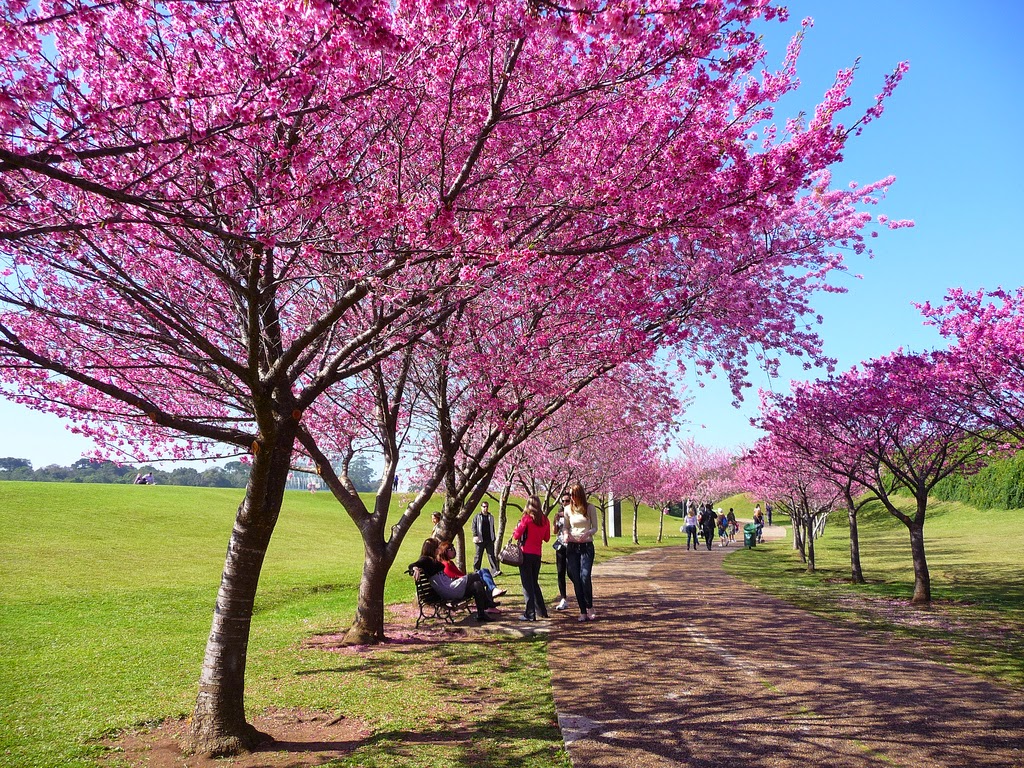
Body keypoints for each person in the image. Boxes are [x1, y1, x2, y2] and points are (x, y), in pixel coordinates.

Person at [409, 538, 498, 622]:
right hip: (448, 589)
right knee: (475, 575)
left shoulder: (433, 559)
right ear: (432, 549)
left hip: (450, 586)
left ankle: (481, 614)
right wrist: (415, 569)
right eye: (437, 547)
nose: (439, 549)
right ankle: (488, 603)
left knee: (477, 584)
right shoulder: (426, 560)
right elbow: (413, 564)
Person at [512, 495, 551, 621]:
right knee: (534, 582)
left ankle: (529, 613)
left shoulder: (527, 519)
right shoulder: (545, 520)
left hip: (525, 554)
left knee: (527, 584)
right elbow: (547, 538)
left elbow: (517, 536)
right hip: (537, 555)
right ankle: (542, 611)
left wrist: (516, 530)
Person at [565, 483, 599, 621]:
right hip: (573, 547)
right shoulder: (568, 509)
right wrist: (567, 535)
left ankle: (590, 605)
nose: (572, 498)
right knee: (576, 579)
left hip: (586, 546)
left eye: (574, 495)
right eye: (571, 495)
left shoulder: (590, 508)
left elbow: (595, 527)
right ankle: (582, 610)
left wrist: (587, 533)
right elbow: (566, 527)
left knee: (585, 576)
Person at [438, 541, 506, 599]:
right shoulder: (446, 565)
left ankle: (491, 597)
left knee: (486, 575)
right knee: (485, 574)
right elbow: (459, 577)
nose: (454, 550)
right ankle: (491, 596)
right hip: (461, 587)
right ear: (445, 551)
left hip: (463, 584)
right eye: (451, 549)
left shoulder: (449, 563)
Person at [552, 493, 571, 610]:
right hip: (560, 546)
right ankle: (563, 598)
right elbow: (554, 531)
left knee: (572, 573)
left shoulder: (574, 514)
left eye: (567, 501)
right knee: (560, 573)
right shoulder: (559, 516)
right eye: (563, 501)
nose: (565, 503)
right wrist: (555, 520)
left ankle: (581, 596)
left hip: (572, 546)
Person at [471, 501, 500, 575]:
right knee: (478, 556)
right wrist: (475, 535)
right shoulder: (477, 516)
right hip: (480, 540)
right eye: (484, 506)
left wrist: (493, 537)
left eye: (487, 506)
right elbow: (473, 526)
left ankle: (494, 571)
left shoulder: (491, 517)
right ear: (481, 507)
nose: (485, 508)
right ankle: (476, 570)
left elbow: (492, 527)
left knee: (491, 555)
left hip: (489, 539)